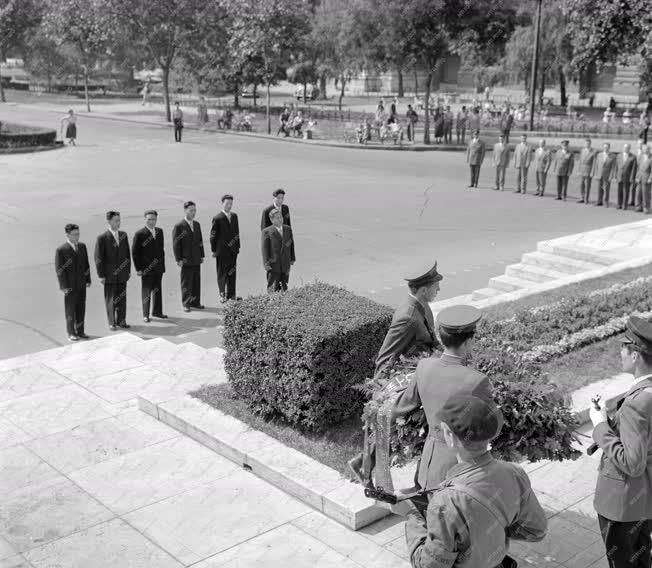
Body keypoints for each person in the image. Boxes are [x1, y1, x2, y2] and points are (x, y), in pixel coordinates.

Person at [392, 393, 547, 568]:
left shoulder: (445, 502)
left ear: (449, 435)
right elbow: (535, 530)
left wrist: (411, 515)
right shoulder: (514, 473)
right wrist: (492, 530)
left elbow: (429, 566)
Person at [392, 305, 491, 492]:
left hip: (429, 461)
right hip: (462, 467)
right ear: (468, 342)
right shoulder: (477, 380)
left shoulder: (423, 367)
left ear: (441, 338)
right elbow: (489, 427)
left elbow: (403, 404)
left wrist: (379, 410)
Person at [590, 315, 652, 568]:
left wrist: (599, 424)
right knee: (641, 560)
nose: (620, 353)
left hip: (622, 505)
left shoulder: (638, 403)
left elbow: (632, 462)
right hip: (644, 499)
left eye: (623, 347)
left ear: (635, 355)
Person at [374, 263, 442, 377]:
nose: (439, 289)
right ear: (424, 290)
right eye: (436, 286)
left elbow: (431, 339)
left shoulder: (424, 305)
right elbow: (384, 362)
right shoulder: (407, 318)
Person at [94, 211, 131, 331]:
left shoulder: (123, 235)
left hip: (122, 274)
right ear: (109, 221)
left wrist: (128, 270)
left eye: (119, 220)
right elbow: (98, 258)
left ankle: (122, 320)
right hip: (109, 275)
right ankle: (112, 322)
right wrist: (101, 275)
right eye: (116, 220)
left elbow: (127, 254)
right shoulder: (102, 238)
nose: (118, 223)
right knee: (111, 299)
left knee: (122, 298)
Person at [55, 224, 91, 341]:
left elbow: (86, 264)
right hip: (69, 286)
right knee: (70, 310)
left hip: (81, 284)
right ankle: (71, 332)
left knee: (81, 308)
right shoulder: (61, 250)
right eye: (75, 234)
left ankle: (80, 331)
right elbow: (60, 270)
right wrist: (63, 286)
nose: (77, 237)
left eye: (78, 234)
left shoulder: (82, 246)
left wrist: (88, 279)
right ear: (67, 235)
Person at [132, 210, 167, 323]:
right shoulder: (140, 234)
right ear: (145, 219)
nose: (152, 222)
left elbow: (161, 250)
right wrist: (138, 269)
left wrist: (162, 265)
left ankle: (157, 311)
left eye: (154, 219)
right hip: (146, 269)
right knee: (146, 292)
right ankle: (145, 315)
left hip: (158, 268)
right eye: (149, 219)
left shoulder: (160, 231)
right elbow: (135, 253)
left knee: (158, 290)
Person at [172, 201, 205, 312]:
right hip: (185, 260)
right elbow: (176, 244)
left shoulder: (197, 224)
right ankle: (186, 304)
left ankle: (196, 302)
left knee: (196, 281)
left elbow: (200, 241)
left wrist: (202, 255)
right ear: (185, 210)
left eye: (194, 210)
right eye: (191, 210)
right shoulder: (179, 226)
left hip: (196, 258)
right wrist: (178, 259)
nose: (193, 212)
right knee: (186, 282)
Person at [210, 194, 240, 302]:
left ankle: (231, 294)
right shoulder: (217, 218)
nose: (229, 205)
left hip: (233, 250)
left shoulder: (235, 216)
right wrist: (214, 250)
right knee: (222, 273)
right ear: (222, 203)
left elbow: (237, 232)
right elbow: (213, 236)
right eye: (227, 203)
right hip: (222, 251)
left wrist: (238, 246)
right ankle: (222, 294)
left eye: (231, 203)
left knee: (232, 272)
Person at [261, 209, 295, 293]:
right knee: (272, 289)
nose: (280, 219)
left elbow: (291, 244)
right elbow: (264, 249)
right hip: (273, 265)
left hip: (286, 264)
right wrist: (266, 263)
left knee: (284, 288)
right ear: (272, 220)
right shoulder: (266, 231)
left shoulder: (287, 229)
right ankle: (272, 304)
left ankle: (283, 304)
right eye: (277, 218)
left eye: (281, 217)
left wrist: (292, 258)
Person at [592, 142, 617, 207]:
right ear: (603, 147)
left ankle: (606, 202)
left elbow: (613, 167)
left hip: (607, 175)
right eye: (604, 147)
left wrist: (611, 176)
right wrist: (595, 174)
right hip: (599, 174)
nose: (606, 148)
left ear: (609, 148)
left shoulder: (613, 156)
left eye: (607, 147)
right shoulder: (599, 155)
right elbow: (596, 165)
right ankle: (599, 201)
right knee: (599, 188)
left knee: (606, 189)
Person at [615, 143, 637, 209]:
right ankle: (619, 204)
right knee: (619, 191)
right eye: (625, 147)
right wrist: (616, 176)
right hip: (619, 176)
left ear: (629, 149)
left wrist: (632, 178)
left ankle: (625, 205)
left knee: (626, 191)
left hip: (627, 177)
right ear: (623, 148)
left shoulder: (633, 157)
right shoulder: (619, 155)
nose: (626, 149)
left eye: (627, 148)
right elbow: (616, 166)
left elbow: (633, 169)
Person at [577, 138, 596, 204]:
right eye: (586, 143)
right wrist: (578, 170)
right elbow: (580, 161)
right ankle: (582, 197)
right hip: (582, 169)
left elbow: (594, 163)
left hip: (588, 170)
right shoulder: (582, 150)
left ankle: (586, 199)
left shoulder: (593, 152)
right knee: (581, 184)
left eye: (588, 143)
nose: (587, 144)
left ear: (590, 144)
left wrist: (592, 172)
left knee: (587, 185)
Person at [635, 144, 652, 214]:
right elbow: (638, 168)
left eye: (647, 149)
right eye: (644, 149)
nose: (645, 150)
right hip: (639, 177)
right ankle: (638, 206)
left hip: (647, 177)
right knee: (638, 192)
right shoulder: (640, 157)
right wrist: (636, 177)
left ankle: (646, 207)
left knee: (646, 193)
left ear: (649, 149)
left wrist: (650, 178)